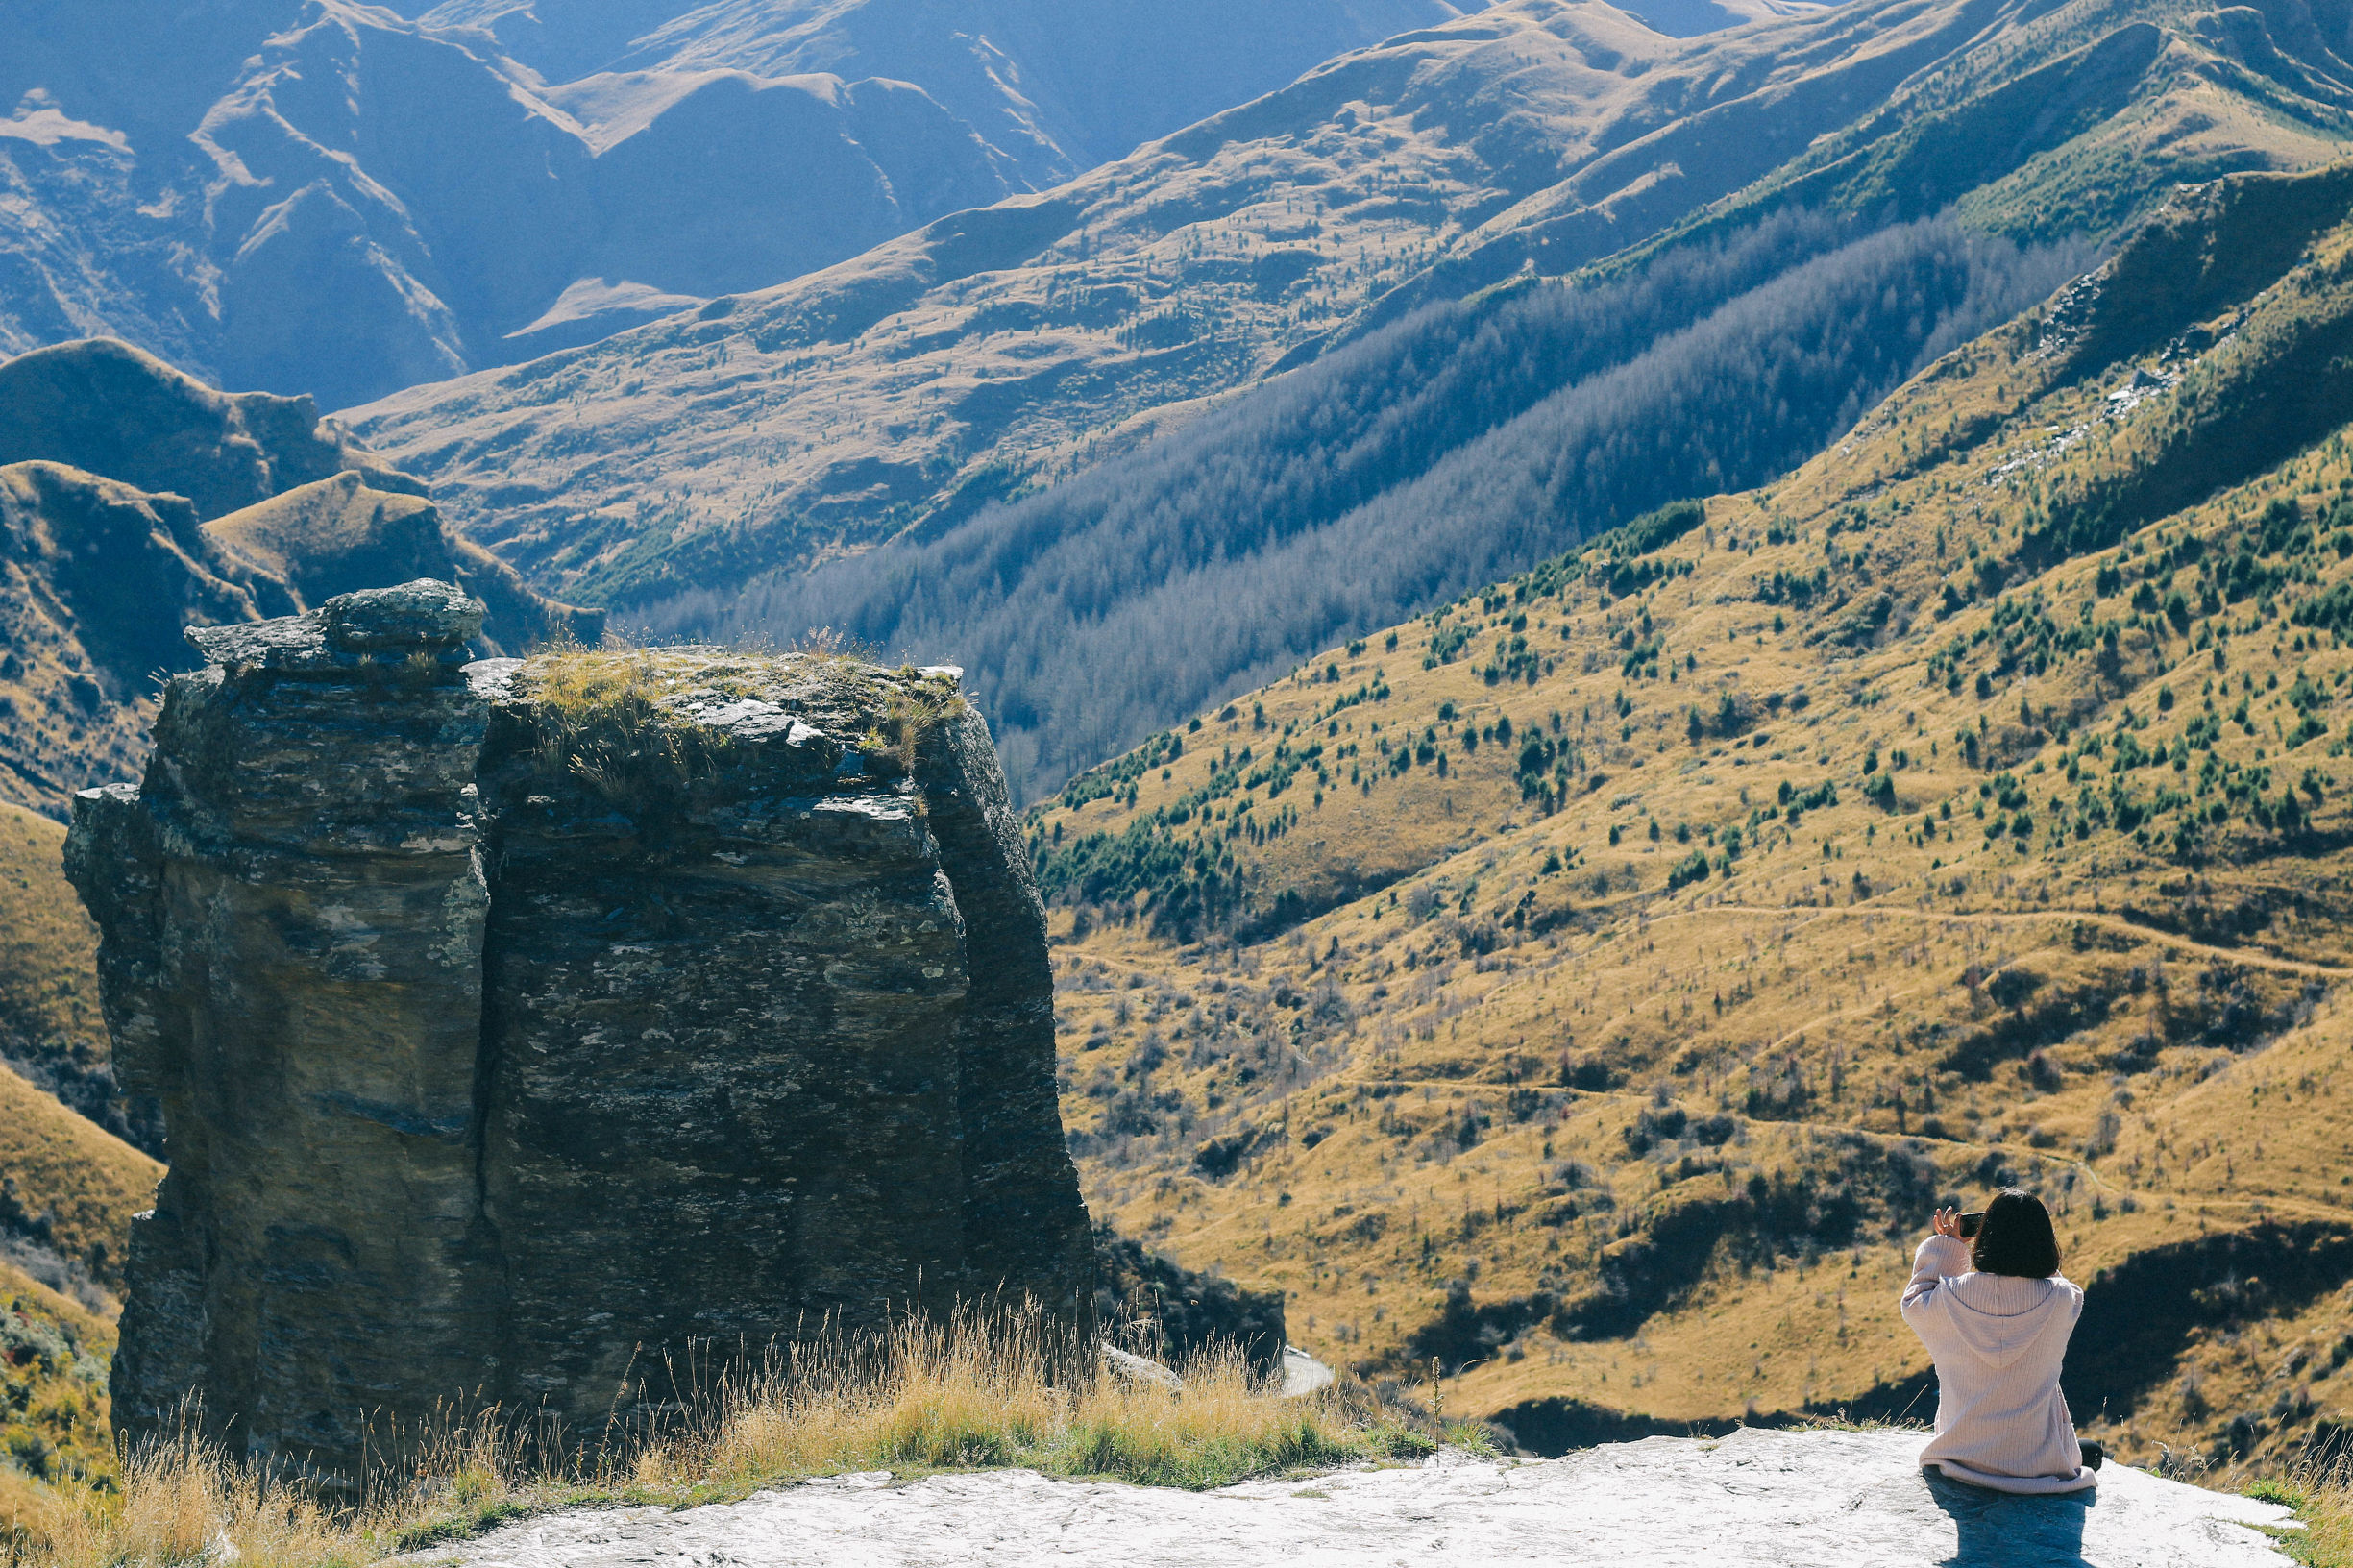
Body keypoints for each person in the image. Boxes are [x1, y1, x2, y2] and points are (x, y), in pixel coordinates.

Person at [1900, 1188, 2098, 1493]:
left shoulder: (1947, 1298)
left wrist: (1949, 1246)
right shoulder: (2064, 1300)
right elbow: (2056, 1281)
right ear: (2045, 1242)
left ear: (1984, 1238)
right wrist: (2034, 1255)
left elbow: (1914, 1299)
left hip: (1961, 1460)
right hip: (2037, 1466)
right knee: (2092, 1451)